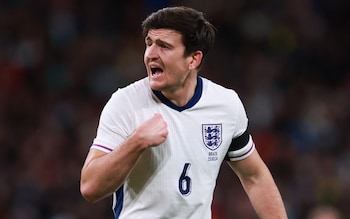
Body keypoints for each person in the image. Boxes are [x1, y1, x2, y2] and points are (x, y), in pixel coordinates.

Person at [80, 6, 288, 219]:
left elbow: (255, 176)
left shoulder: (225, 105)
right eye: (149, 44)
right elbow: (90, 188)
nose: (150, 54)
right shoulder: (125, 104)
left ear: (193, 59)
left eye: (164, 46)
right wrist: (136, 142)